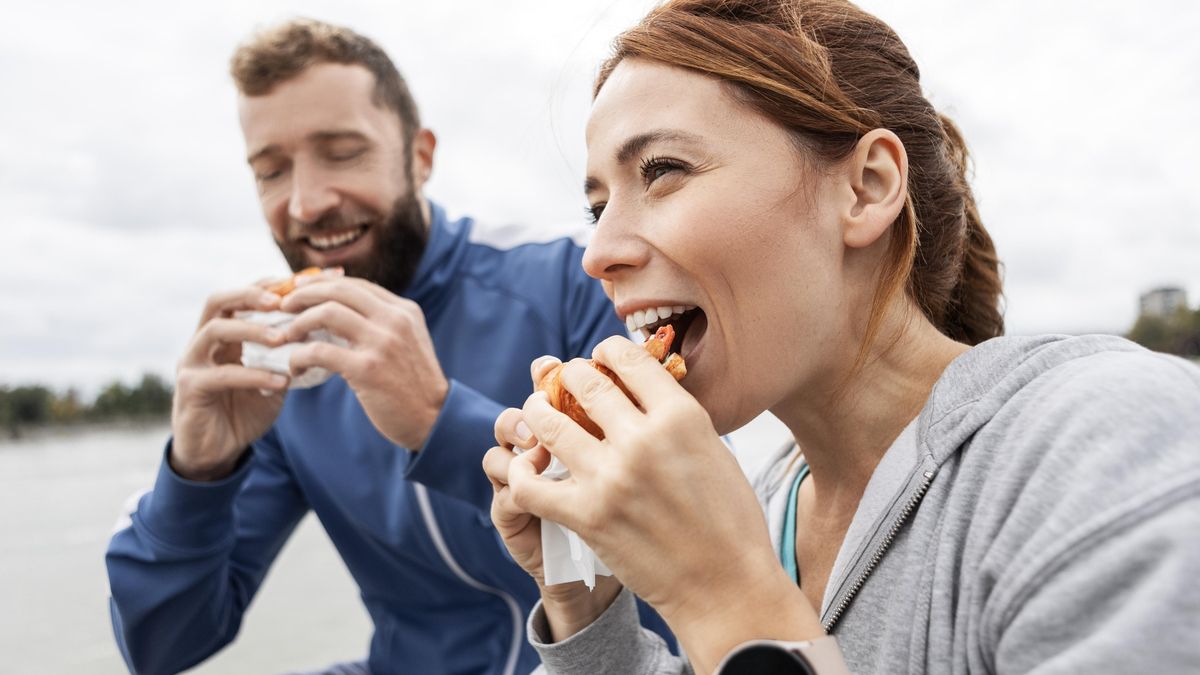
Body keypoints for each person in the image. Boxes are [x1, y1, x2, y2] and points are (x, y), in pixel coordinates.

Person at [483, 0, 1200, 673]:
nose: (596, 252)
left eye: (663, 170)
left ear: (866, 187)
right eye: (597, 206)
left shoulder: (1111, 443)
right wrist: (588, 606)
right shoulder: (766, 507)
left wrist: (724, 594)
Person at [105, 18, 671, 675]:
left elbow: (661, 538)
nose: (307, 202)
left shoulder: (575, 278)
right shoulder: (282, 363)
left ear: (420, 154)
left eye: (343, 151)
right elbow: (162, 646)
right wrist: (196, 471)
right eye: (271, 171)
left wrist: (440, 419)